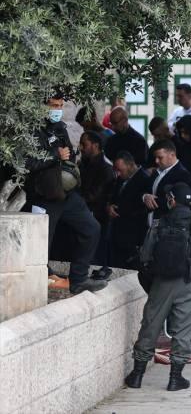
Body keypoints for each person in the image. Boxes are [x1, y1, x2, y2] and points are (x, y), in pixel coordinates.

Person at [125, 182, 191, 392]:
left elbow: (145, 256)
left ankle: (137, 375)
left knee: (151, 325)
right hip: (188, 283)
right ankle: (175, 379)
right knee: (183, 330)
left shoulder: (158, 224)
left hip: (160, 284)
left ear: (172, 200)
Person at [24, 92, 107, 294]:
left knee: (91, 228)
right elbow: (28, 163)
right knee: (41, 243)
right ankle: (36, 284)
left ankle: (78, 279)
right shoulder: (32, 130)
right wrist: (55, 155)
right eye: (54, 105)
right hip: (44, 195)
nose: (58, 110)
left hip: (66, 192)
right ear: (43, 106)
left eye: (60, 105)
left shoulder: (60, 128)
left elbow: (69, 154)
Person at [79, 131, 116, 279]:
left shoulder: (105, 168)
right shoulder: (84, 164)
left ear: (95, 146)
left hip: (97, 218)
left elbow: (95, 195)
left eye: (84, 144)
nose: (81, 148)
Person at [108, 151, 150, 269]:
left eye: (120, 170)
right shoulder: (120, 179)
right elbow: (114, 198)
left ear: (131, 165)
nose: (118, 173)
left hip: (132, 237)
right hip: (117, 233)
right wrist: (110, 207)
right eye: (116, 170)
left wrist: (121, 211)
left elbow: (141, 209)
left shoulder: (145, 180)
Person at [142, 139, 191, 227]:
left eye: (160, 157)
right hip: (149, 226)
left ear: (172, 155)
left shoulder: (183, 174)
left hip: (167, 227)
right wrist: (145, 197)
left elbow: (177, 202)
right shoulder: (156, 171)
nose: (156, 161)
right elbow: (144, 189)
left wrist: (151, 201)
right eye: (155, 158)